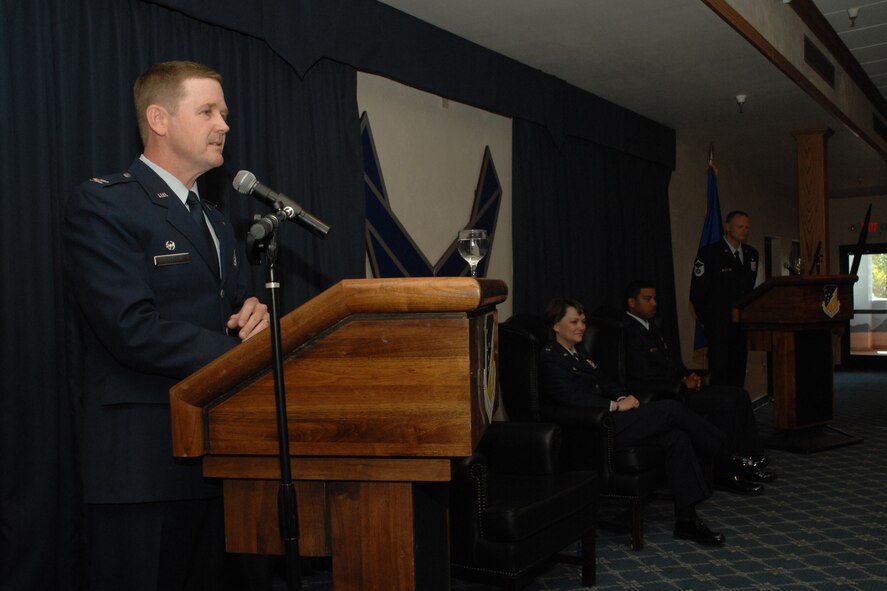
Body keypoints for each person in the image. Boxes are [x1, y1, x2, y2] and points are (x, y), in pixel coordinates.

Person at [65, 61, 270, 591]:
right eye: (207, 111)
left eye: (223, 112)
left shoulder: (218, 220)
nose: (223, 124)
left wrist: (255, 316)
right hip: (143, 465)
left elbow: (229, 304)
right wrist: (242, 355)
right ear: (158, 118)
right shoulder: (105, 203)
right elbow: (131, 328)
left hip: (220, 455)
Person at [540, 298, 728, 546]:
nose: (581, 327)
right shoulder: (550, 358)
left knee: (677, 438)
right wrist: (615, 405)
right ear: (556, 325)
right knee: (671, 409)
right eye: (574, 322)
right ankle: (724, 450)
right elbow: (570, 398)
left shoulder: (579, 352)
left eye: (583, 321)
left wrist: (621, 396)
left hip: (612, 421)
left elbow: (605, 381)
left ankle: (687, 520)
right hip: (593, 430)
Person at [622, 280, 775, 490]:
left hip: (681, 386)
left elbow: (672, 362)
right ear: (632, 302)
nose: (654, 303)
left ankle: (751, 459)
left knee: (739, 395)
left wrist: (689, 375)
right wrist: (681, 383)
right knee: (725, 403)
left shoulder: (653, 326)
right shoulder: (628, 332)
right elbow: (642, 376)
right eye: (647, 299)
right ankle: (726, 471)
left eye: (655, 298)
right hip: (668, 395)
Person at [690, 210, 759, 388]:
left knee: (738, 374)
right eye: (740, 226)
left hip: (741, 327)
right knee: (720, 376)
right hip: (719, 327)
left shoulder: (752, 254)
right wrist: (710, 321)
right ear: (728, 227)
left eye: (747, 227)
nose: (744, 230)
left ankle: (737, 413)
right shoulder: (710, 254)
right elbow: (697, 294)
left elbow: (748, 291)